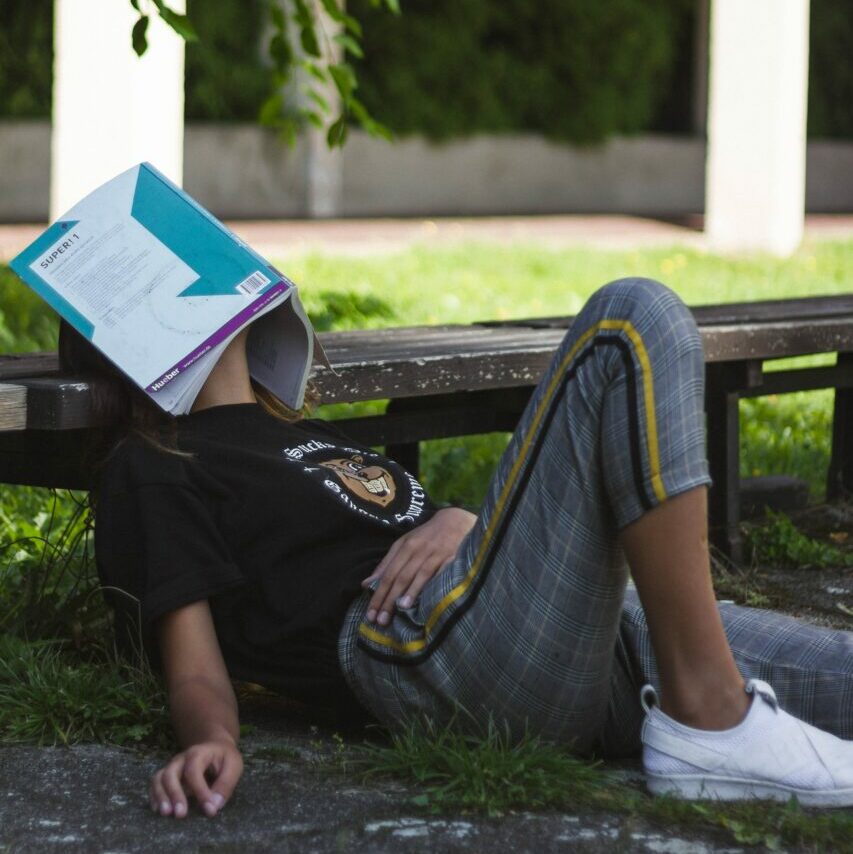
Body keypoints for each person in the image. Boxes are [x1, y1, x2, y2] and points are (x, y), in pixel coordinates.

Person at [61, 278, 853, 819]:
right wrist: (211, 742)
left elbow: (453, 538)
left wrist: (459, 519)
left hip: (573, 632)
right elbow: (195, 665)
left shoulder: (301, 436)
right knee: (630, 318)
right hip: (435, 656)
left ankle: (701, 707)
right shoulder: (156, 465)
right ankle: (708, 717)